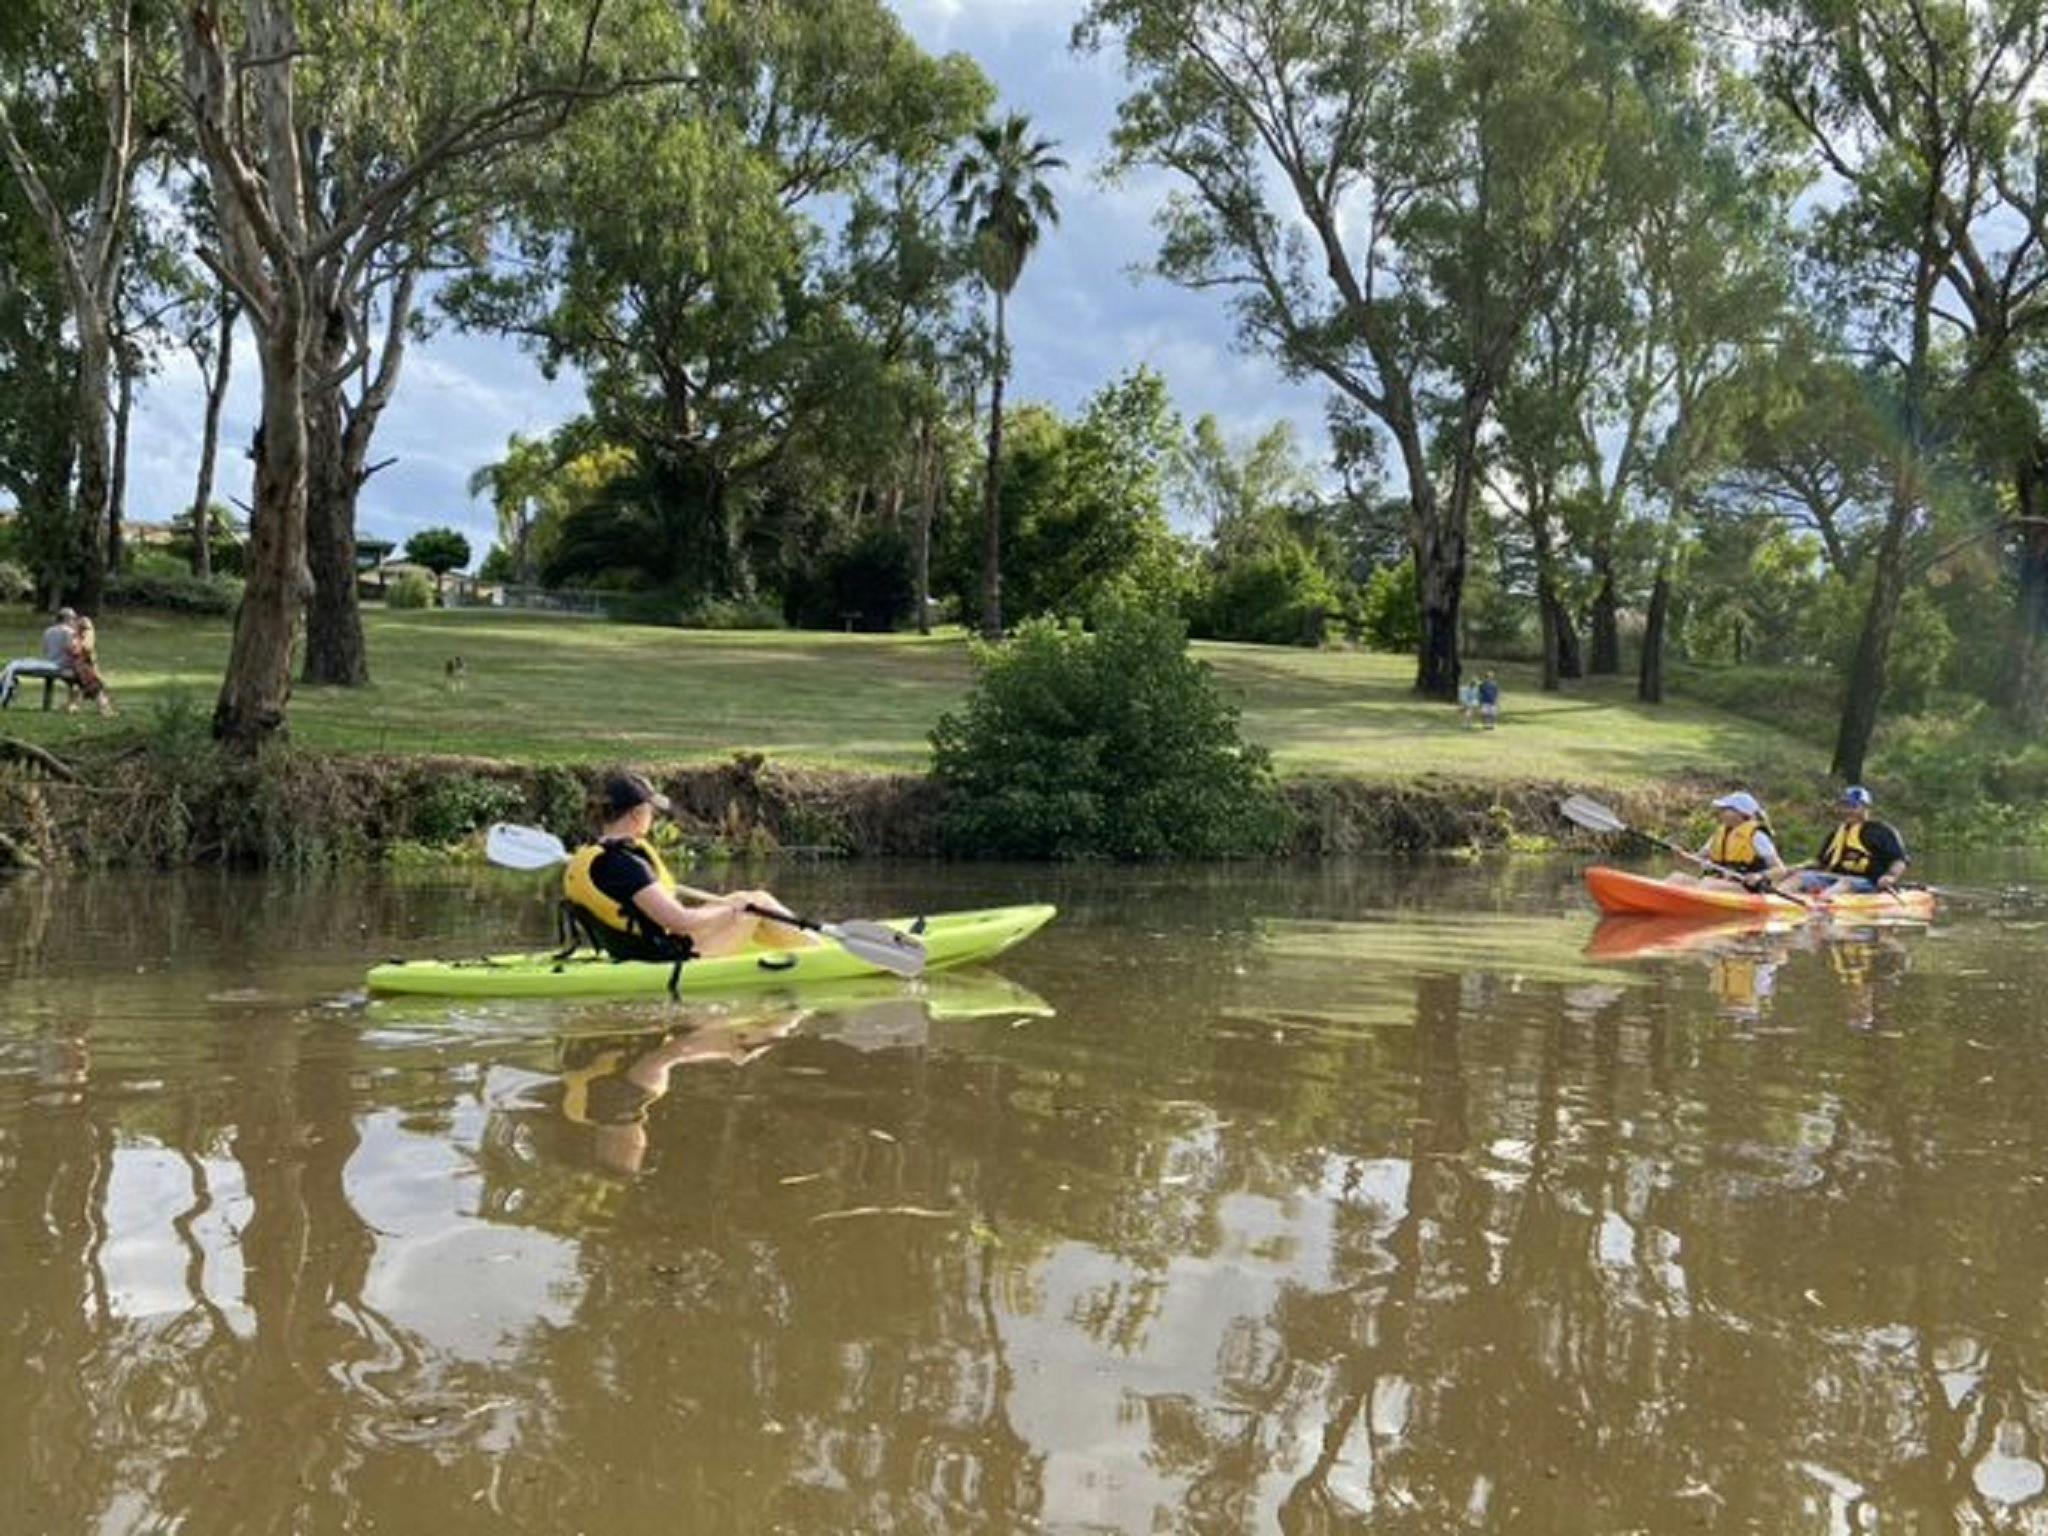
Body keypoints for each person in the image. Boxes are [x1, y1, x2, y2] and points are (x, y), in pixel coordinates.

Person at [560, 771, 813, 962]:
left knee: (753, 898)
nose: (653, 817)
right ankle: (820, 956)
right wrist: (729, 911)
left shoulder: (595, 854)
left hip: (640, 950)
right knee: (753, 908)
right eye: (651, 811)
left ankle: (810, 946)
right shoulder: (627, 865)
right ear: (637, 814)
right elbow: (680, 921)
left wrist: (732, 905)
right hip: (668, 958)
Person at [1780, 785, 1909, 897]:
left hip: (1868, 881)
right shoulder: (1837, 833)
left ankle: (1822, 903)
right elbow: (1820, 862)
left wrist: (1890, 876)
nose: (1847, 811)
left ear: (1865, 808)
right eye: (1845, 806)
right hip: (1834, 878)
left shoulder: (1882, 831)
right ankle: (1777, 897)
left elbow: (1899, 860)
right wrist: (1796, 868)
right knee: (1800, 877)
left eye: (1853, 806)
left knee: (1846, 883)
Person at [1676, 790, 1788, 889]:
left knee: (1708, 885)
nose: (1721, 812)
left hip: (1746, 887)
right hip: (1719, 882)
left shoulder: (1756, 836)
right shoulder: (1720, 833)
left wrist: (1759, 876)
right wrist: (1682, 855)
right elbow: (1697, 858)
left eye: (1726, 809)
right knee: (1677, 878)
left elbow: (1780, 869)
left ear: (1741, 813)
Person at [0, 606, 78, 708]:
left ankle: (5, 690)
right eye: (73, 618)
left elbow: (46, 650)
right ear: (67, 619)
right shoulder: (70, 632)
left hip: (49, 662)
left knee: (15, 664)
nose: (75, 621)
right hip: (60, 666)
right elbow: (72, 651)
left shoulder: (48, 631)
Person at [64, 616, 113, 716]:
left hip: (78, 666)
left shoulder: (74, 637)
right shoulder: (79, 639)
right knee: (96, 686)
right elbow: (85, 650)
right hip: (81, 666)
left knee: (86, 687)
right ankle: (105, 710)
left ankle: (73, 707)